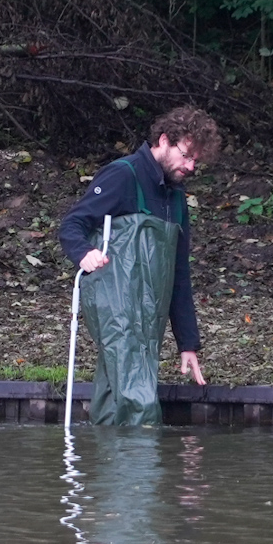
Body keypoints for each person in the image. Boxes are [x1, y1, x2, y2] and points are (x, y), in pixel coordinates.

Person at [58, 107, 221, 425]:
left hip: (150, 317)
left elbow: (179, 273)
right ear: (164, 140)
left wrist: (188, 343)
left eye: (196, 162)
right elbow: (72, 225)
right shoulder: (123, 175)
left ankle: (111, 463)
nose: (189, 167)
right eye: (186, 156)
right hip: (115, 307)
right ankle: (140, 468)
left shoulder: (176, 198)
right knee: (138, 406)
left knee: (113, 399)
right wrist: (84, 253)